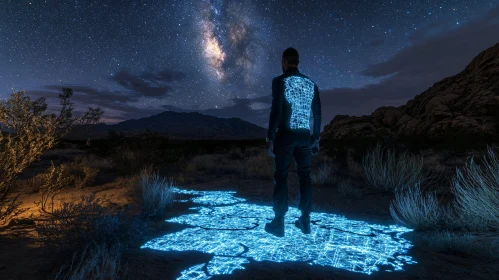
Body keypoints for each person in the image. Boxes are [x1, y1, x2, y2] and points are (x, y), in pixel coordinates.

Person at [264, 47, 322, 237]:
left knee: (281, 176)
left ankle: (279, 222)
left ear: (284, 61)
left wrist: (270, 137)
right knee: (305, 176)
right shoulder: (311, 84)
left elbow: (277, 111)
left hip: (285, 136)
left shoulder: (279, 81)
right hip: (305, 137)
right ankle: (305, 221)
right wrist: (316, 137)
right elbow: (317, 113)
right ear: (298, 61)